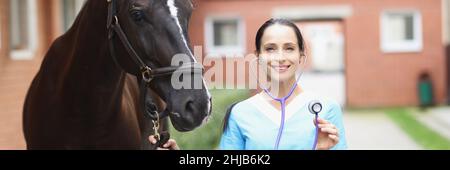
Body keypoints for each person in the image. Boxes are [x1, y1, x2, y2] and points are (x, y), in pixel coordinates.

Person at [218, 18, 347, 150]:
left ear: (301, 55)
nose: (280, 58)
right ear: (258, 56)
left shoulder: (327, 109)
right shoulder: (239, 113)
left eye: (289, 48)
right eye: (270, 49)